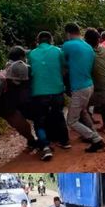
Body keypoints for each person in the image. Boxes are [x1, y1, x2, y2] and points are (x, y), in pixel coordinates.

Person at [0, 56, 39, 167]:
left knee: (22, 125)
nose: (18, 83)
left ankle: (32, 141)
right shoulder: (0, 80)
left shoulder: (25, 75)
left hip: (6, 105)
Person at [61, 22, 105, 153]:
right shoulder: (88, 47)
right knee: (82, 111)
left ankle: (97, 139)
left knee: (71, 121)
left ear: (68, 33)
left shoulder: (68, 45)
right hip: (89, 85)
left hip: (79, 87)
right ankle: (93, 136)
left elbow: (62, 64)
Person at [27, 31, 67, 160]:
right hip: (57, 90)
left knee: (39, 120)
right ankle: (65, 141)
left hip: (39, 93)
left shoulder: (31, 54)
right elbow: (65, 67)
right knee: (59, 115)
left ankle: (45, 146)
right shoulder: (58, 51)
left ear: (38, 41)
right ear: (51, 40)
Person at [84, 28, 105, 133]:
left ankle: (89, 133)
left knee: (80, 105)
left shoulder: (87, 52)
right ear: (99, 39)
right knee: (102, 102)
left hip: (104, 91)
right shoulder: (103, 47)